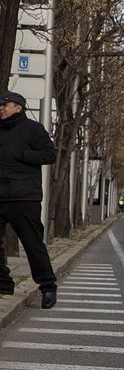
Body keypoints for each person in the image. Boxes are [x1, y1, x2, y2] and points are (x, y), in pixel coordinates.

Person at [0, 90, 58, 307]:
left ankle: (48, 286)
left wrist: (24, 155)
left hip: (24, 197)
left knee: (33, 244)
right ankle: (3, 282)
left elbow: (49, 154)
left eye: (5, 105)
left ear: (19, 107)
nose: (1, 109)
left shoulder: (33, 130)